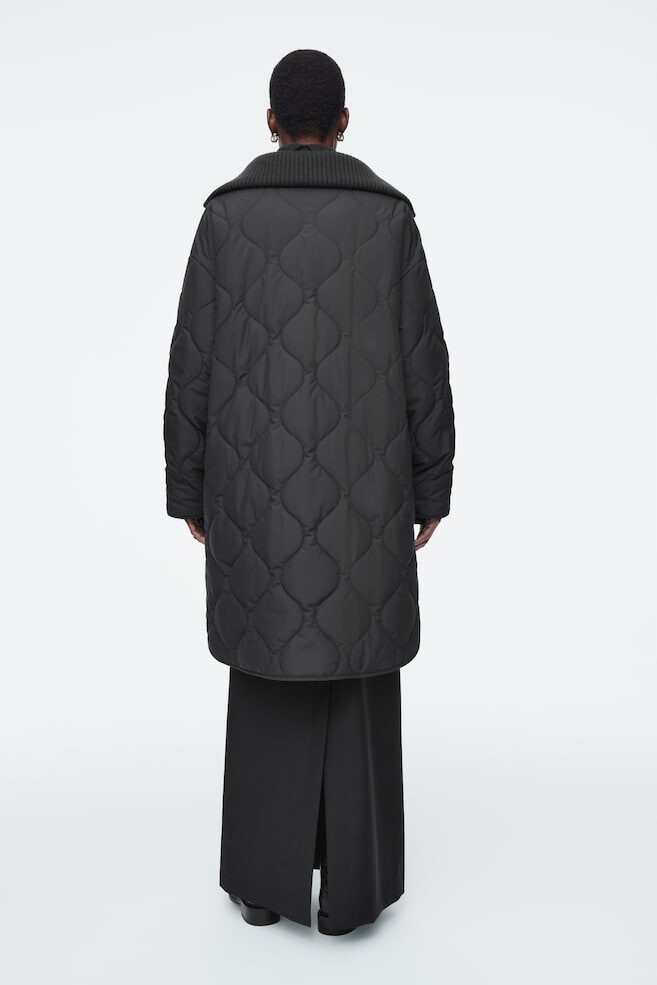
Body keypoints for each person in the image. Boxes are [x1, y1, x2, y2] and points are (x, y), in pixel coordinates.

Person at [163, 48, 456, 936]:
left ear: (269, 122)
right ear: (343, 123)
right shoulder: (389, 219)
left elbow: (191, 366)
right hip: (369, 500)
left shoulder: (224, 220)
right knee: (357, 671)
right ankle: (352, 897)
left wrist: (190, 488)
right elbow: (424, 367)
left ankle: (262, 888)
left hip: (251, 501)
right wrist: (430, 485)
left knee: (265, 672)